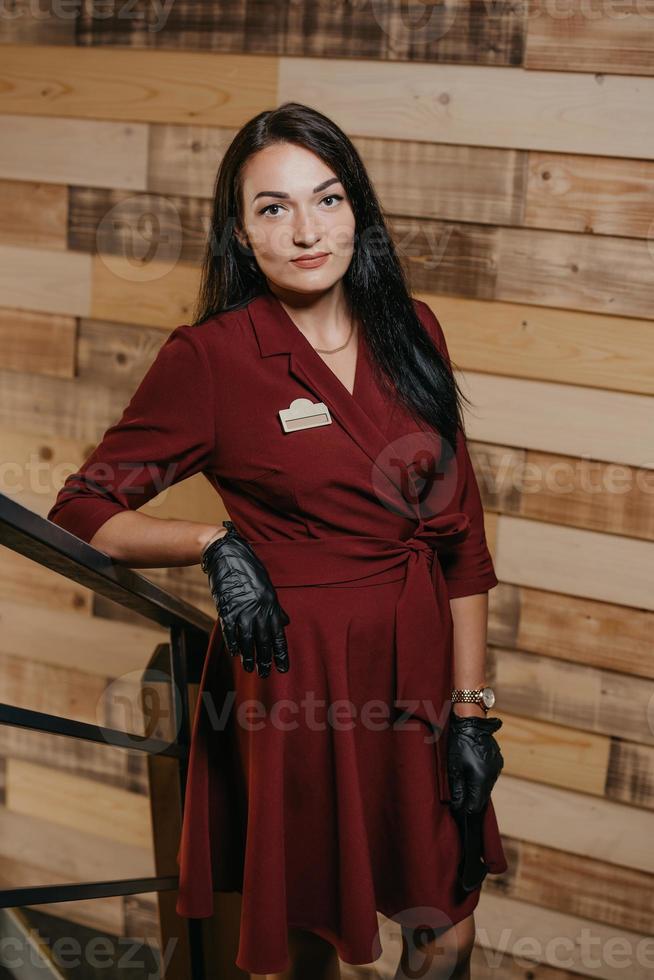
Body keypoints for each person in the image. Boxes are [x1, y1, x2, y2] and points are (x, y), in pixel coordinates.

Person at [47, 102, 508, 980]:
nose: (306, 230)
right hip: (297, 685)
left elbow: (464, 544)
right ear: (242, 233)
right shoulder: (212, 359)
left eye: (327, 200)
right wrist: (214, 543)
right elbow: (83, 507)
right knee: (306, 941)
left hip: (416, 669)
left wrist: (472, 713)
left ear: (357, 212)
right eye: (274, 208)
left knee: (443, 925)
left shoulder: (414, 330)